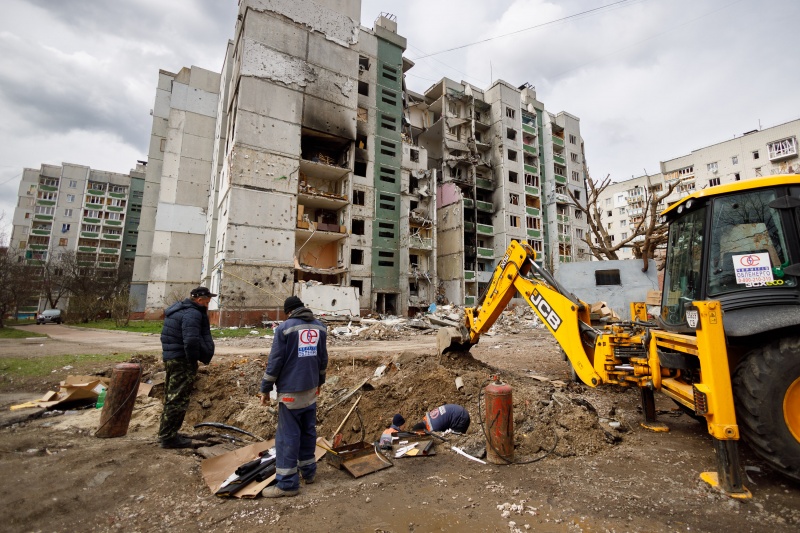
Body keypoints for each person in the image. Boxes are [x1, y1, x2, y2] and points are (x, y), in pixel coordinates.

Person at [259, 296, 328, 498]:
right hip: (311, 390)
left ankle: (287, 484)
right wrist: (320, 383)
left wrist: (265, 389)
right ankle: (309, 473)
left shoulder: (284, 328)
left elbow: (275, 362)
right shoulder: (320, 328)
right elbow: (323, 359)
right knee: (308, 432)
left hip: (291, 390)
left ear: (288, 312)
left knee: (287, 437)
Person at [158, 286, 217, 449]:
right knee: (178, 399)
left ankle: (167, 433)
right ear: (199, 300)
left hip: (171, 358)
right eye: (207, 300)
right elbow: (191, 340)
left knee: (171, 396)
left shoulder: (178, 310)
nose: (208, 303)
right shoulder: (192, 314)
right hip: (182, 361)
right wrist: (192, 360)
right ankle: (169, 438)